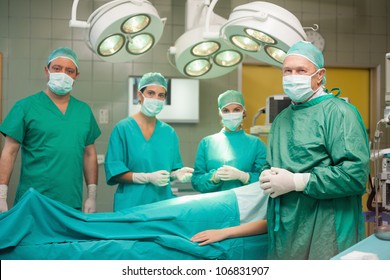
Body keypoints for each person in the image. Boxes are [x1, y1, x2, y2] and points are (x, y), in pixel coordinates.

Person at [259, 41, 370, 260]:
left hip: (326, 227)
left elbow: (355, 175)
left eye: (301, 70)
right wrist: (265, 174)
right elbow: (274, 162)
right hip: (287, 228)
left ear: (319, 75)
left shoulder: (339, 113)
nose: (293, 76)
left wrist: (297, 182)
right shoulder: (281, 119)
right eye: (287, 71)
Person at [0, 47, 101, 213]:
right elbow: (9, 152)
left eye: (69, 70)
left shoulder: (84, 111)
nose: (63, 74)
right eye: (57, 68)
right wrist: (1, 195)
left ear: (76, 76)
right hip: (33, 201)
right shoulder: (25, 107)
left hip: (70, 201)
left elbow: (89, 153)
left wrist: (92, 195)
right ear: (47, 71)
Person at [104, 72, 193, 211]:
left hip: (162, 204)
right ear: (140, 95)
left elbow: (172, 169)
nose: (156, 99)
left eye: (161, 95)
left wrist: (177, 174)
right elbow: (115, 171)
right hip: (130, 205)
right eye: (151, 93)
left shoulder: (169, 133)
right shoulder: (123, 129)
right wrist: (146, 177)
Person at [191, 90, 267, 193]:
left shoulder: (257, 144)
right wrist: (213, 177)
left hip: (245, 205)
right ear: (220, 113)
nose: (231, 114)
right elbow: (196, 181)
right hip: (214, 204)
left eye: (236, 110)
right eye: (226, 110)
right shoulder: (207, 143)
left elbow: (265, 180)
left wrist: (244, 177)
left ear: (243, 111)